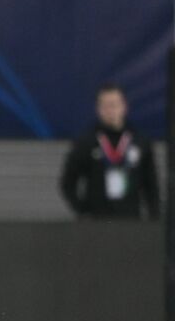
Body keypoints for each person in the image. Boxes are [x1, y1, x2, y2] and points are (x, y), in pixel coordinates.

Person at [60, 83, 160, 219]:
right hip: (97, 221)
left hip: (131, 221)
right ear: (98, 109)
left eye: (114, 104)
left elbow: (151, 185)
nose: (110, 110)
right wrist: (82, 210)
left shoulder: (140, 141)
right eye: (105, 106)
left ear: (124, 106)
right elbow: (67, 182)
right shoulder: (86, 142)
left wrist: (154, 217)